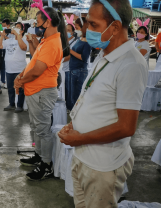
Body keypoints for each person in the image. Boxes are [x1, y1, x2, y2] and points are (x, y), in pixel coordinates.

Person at [58, 0, 147, 206]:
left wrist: (80, 138)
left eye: (93, 24)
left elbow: (126, 127)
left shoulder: (131, 64)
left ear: (115, 27)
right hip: (83, 155)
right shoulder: (104, 53)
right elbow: (94, 97)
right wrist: (76, 123)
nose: (87, 29)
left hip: (102, 165)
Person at [17, 7, 69, 180]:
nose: (36, 26)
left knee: (42, 129)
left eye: (38, 23)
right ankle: (39, 156)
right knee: (36, 127)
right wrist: (22, 74)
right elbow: (33, 62)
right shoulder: (46, 40)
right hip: (35, 91)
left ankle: (46, 164)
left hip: (42, 92)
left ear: (48, 22)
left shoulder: (53, 43)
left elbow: (38, 71)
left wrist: (20, 80)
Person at [0, 22, 29, 113]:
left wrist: (17, 35)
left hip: (20, 69)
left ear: (22, 31)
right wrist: (2, 36)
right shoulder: (8, 41)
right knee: (10, 88)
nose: (15, 29)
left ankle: (20, 105)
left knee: (20, 88)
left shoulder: (24, 40)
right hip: (9, 69)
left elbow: (23, 47)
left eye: (18, 28)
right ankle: (11, 104)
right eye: (15, 27)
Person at [67, 17, 91, 111]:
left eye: (77, 27)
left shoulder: (87, 41)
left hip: (80, 71)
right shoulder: (80, 39)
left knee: (77, 98)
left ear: (83, 27)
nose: (76, 30)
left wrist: (70, 51)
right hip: (73, 70)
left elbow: (84, 58)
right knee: (73, 98)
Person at [63, 16, 78, 103]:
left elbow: (69, 56)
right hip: (63, 69)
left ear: (73, 32)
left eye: (68, 30)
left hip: (70, 70)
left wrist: (58, 61)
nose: (66, 32)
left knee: (70, 90)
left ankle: (70, 107)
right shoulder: (63, 42)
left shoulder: (75, 43)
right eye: (65, 30)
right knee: (64, 90)